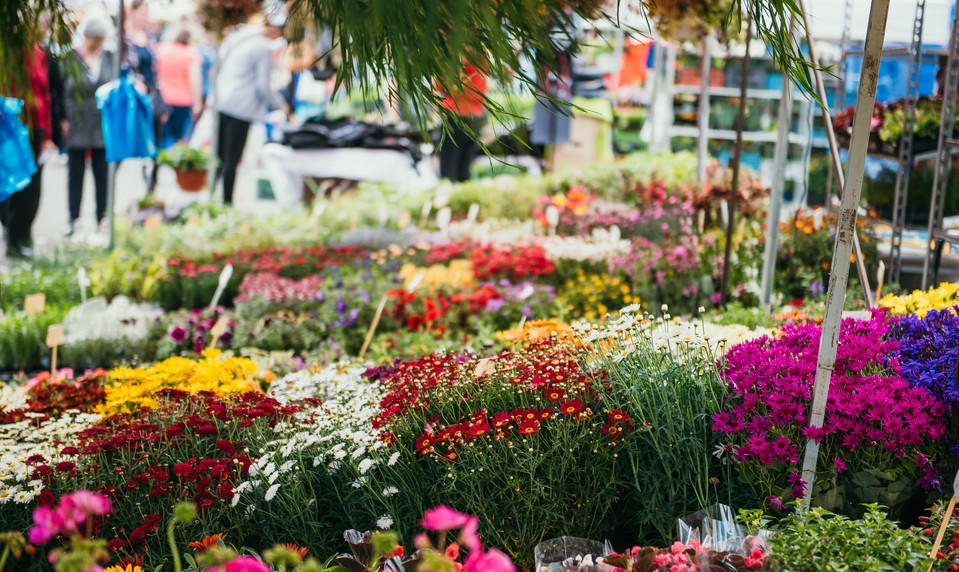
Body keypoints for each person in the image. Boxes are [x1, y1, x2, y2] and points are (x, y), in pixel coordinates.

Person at [214, 8, 290, 205]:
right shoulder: (262, 47)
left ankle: (211, 195)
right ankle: (226, 203)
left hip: (222, 101)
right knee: (232, 159)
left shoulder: (239, 37)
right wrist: (281, 106)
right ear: (275, 29)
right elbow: (263, 85)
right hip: (240, 107)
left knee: (219, 156)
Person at [61, 17, 115, 236]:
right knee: (76, 172)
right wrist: (64, 119)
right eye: (95, 39)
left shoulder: (109, 56)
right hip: (77, 119)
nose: (98, 43)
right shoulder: (70, 58)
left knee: (102, 172)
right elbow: (65, 90)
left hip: (102, 122)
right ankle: (73, 218)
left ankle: (102, 217)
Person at [1, 45, 55, 258]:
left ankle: (22, 235)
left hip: (35, 127)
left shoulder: (39, 52)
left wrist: (48, 136)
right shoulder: (7, 48)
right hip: (10, 127)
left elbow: (45, 94)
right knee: (12, 185)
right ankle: (14, 237)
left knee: (32, 188)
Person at [437, 60, 488, 182]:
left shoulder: (454, 65)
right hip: (472, 117)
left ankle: (451, 193)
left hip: (458, 116)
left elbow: (439, 86)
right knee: (463, 166)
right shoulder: (480, 67)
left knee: (451, 166)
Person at [156, 28, 202, 148]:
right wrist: (197, 103)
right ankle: (173, 163)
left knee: (162, 135)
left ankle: (156, 163)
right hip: (182, 101)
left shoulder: (162, 50)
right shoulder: (191, 55)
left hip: (163, 99)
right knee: (179, 138)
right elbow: (195, 81)